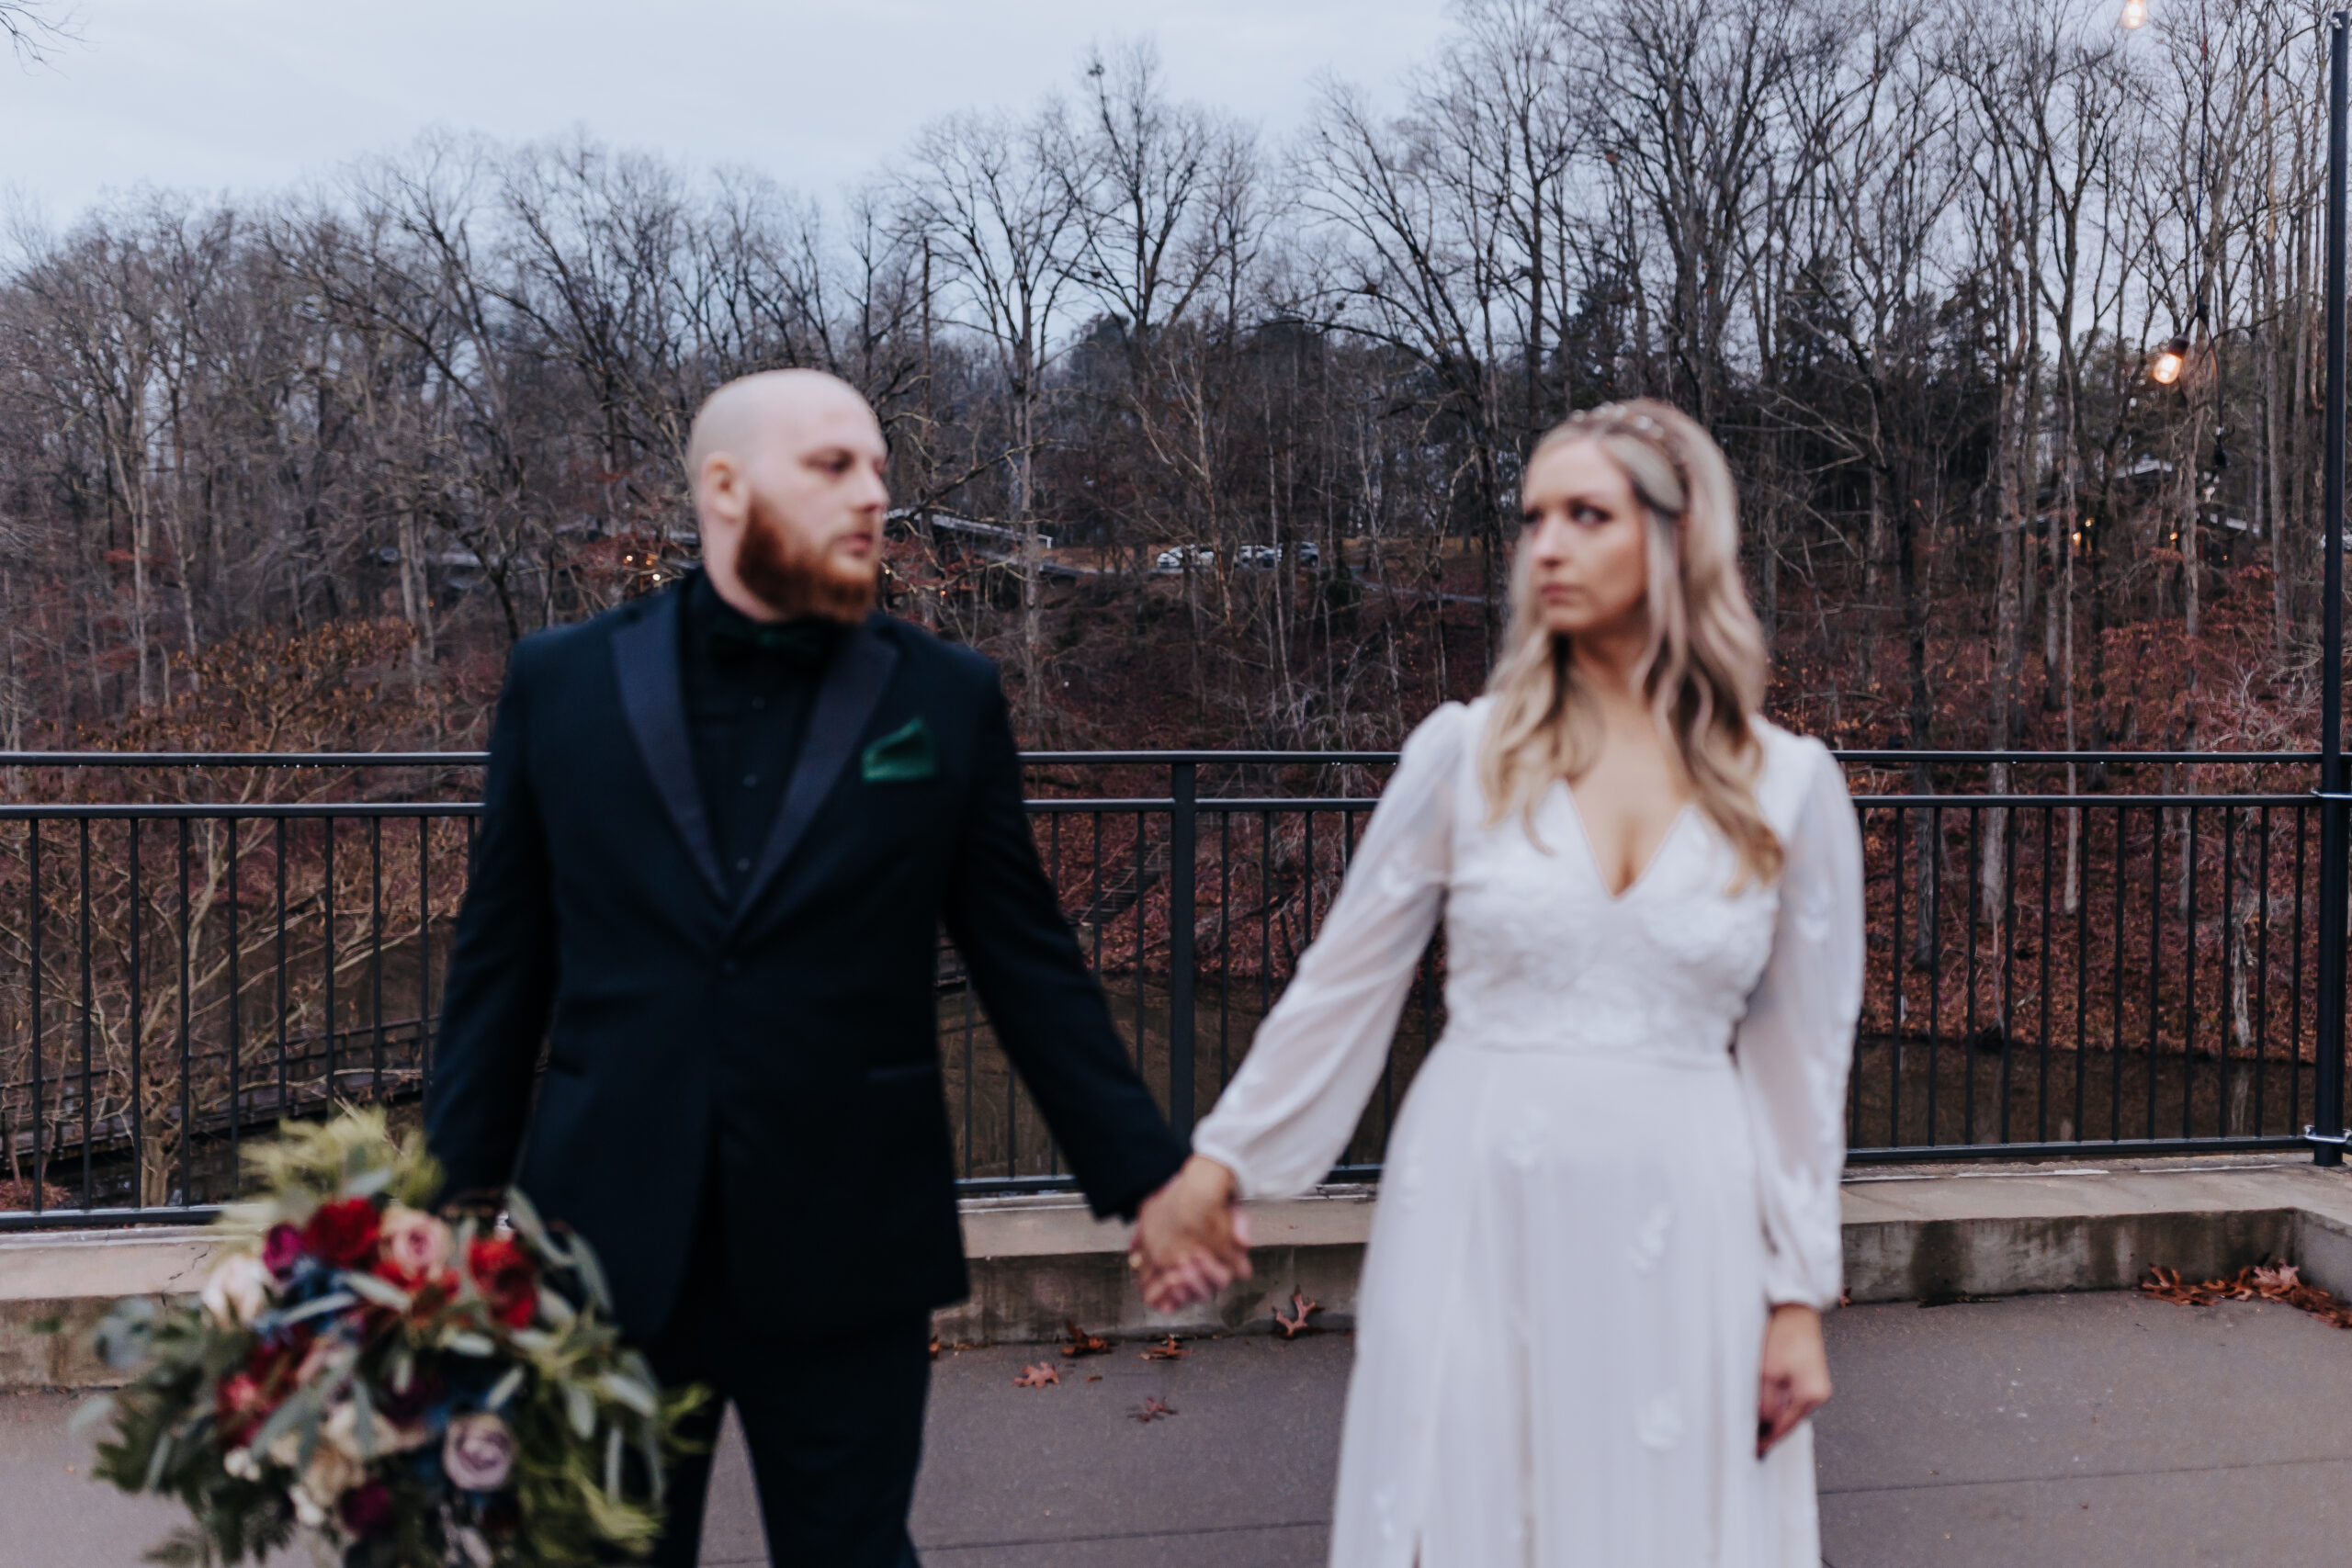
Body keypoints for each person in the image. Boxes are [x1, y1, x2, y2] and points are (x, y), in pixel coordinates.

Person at [424, 370, 1220, 1567]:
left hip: (850, 1237)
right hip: (602, 1238)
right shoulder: (562, 681)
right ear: (724, 485)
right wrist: (444, 1200)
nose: (874, 495)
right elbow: (499, 959)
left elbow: (1027, 959)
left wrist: (1149, 1173)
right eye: (834, 466)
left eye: (881, 470)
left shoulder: (944, 698)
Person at [1131, 399, 1863, 1565]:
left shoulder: (1787, 786)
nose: (1546, 547)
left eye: (1587, 514)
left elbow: (1800, 1073)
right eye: (1532, 519)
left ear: (1677, 541)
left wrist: (1794, 1301)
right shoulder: (1462, 755)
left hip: (1686, 1221)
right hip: (1474, 1202)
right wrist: (1218, 1167)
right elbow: (1342, 987)